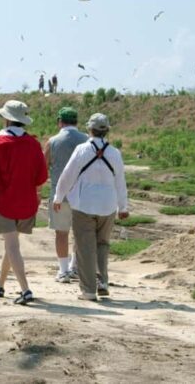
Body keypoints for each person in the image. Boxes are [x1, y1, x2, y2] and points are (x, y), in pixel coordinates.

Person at [53, 113, 129, 301]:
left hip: (83, 204)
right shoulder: (115, 152)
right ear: (107, 130)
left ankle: (88, 290)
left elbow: (68, 175)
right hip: (108, 205)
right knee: (102, 244)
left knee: (84, 247)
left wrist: (58, 196)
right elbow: (120, 181)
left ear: (89, 129)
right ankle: (102, 281)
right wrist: (123, 207)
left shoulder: (82, 149)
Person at [0, 100, 48, 305]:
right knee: (12, 245)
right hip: (27, 203)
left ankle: (25, 289)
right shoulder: (33, 143)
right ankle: (0, 285)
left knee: (11, 245)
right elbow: (41, 177)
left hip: (4, 200)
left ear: (6, 119)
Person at [44, 107, 88, 283]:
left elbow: (43, 166)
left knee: (61, 233)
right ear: (76, 121)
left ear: (60, 121)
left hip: (59, 194)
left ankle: (63, 270)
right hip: (83, 194)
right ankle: (75, 267)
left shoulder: (53, 141)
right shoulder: (86, 140)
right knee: (79, 233)